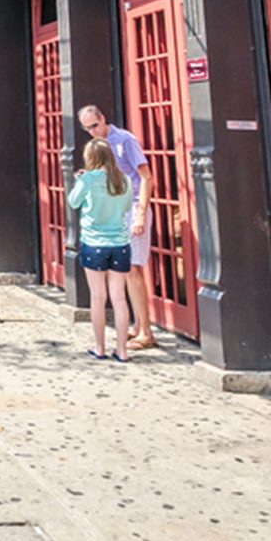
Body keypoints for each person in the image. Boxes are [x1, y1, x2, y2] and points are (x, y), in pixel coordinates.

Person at [78, 105, 156, 350]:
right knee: (123, 271)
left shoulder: (124, 141)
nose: (93, 131)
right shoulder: (99, 147)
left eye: (95, 125)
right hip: (114, 211)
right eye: (87, 128)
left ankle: (146, 332)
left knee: (132, 269)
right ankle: (136, 325)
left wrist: (141, 214)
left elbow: (146, 177)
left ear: (103, 118)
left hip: (132, 206)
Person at [68, 137, 133, 361]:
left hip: (94, 242)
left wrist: (79, 181)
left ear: (91, 159)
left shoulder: (88, 179)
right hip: (120, 244)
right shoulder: (124, 180)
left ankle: (100, 347)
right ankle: (122, 350)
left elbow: (73, 202)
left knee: (98, 297)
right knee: (119, 298)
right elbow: (125, 208)